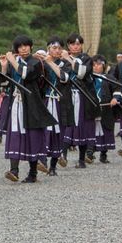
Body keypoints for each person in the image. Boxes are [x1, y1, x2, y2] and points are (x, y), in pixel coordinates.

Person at [0, 35, 57, 183]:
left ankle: (33, 173)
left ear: (31, 47)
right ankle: (14, 170)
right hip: (16, 102)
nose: (23, 48)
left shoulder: (36, 61)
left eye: (26, 45)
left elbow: (26, 74)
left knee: (33, 136)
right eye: (20, 46)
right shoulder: (14, 62)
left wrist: (12, 60)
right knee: (15, 134)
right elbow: (4, 83)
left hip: (32, 104)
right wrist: (5, 66)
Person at [61, 33, 98, 168]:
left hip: (83, 97)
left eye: (78, 44)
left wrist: (70, 60)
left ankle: (81, 159)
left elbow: (82, 73)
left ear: (81, 45)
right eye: (72, 44)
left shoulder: (86, 58)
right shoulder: (63, 59)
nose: (75, 46)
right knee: (66, 124)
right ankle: (62, 155)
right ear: (68, 45)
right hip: (67, 96)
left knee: (83, 126)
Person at [40, 37, 73, 176]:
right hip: (45, 101)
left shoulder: (65, 64)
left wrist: (50, 63)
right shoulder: (41, 63)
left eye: (59, 48)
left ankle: (53, 167)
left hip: (60, 103)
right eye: (54, 48)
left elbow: (64, 78)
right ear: (48, 49)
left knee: (57, 133)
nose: (57, 50)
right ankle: (42, 162)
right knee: (42, 131)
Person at [89, 55, 118, 163]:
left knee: (106, 130)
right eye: (93, 64)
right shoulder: (88, 78)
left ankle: (103, 154)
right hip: (92, 109)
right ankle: (89, 153)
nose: (96, 67)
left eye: (98, 64)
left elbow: (117, 89)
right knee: (90, 130)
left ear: (104, 65)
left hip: (106, 110)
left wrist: (115, 98)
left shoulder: (109, 78)